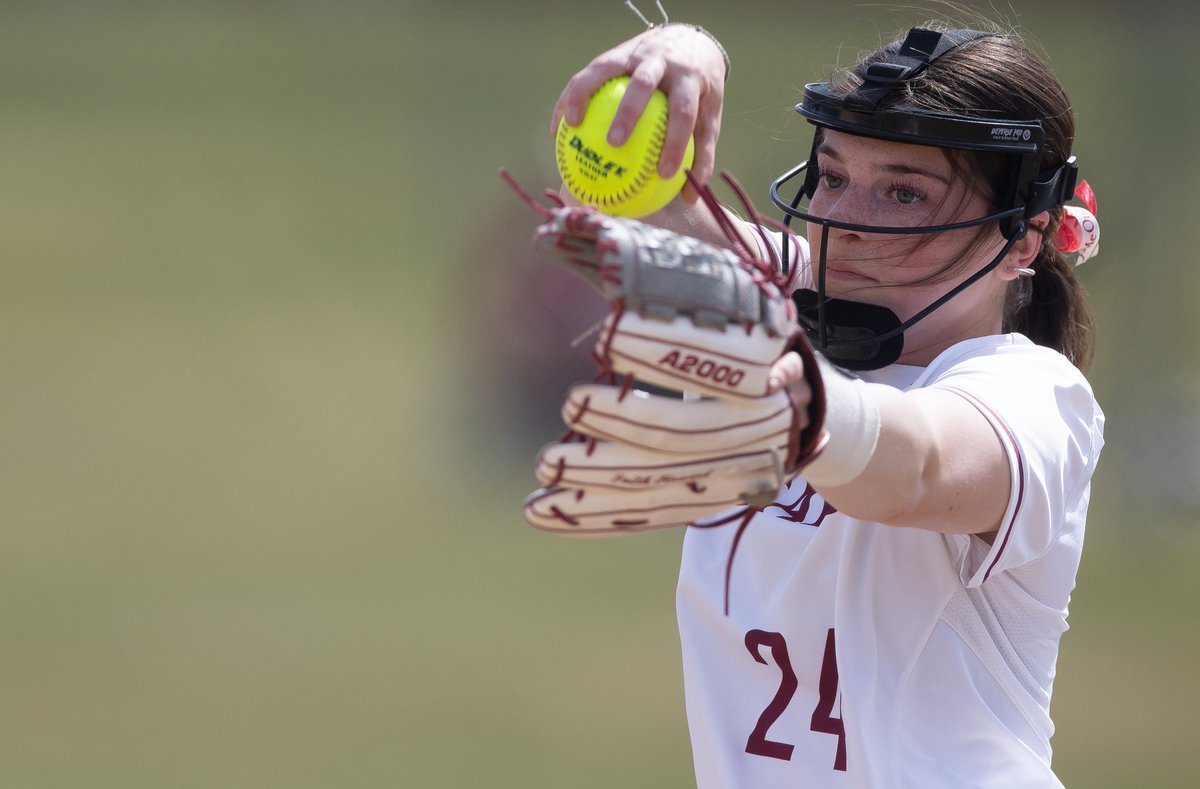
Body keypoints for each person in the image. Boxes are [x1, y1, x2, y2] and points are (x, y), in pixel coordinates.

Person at [546, 11, 1104, 789]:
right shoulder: (795, 298)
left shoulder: (1032, 394)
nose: (842, 222)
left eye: (904, 195)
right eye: (835, 176)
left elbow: (917, 466)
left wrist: (810, 411)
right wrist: (685, 53)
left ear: (1022, 238)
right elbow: (621, 199)